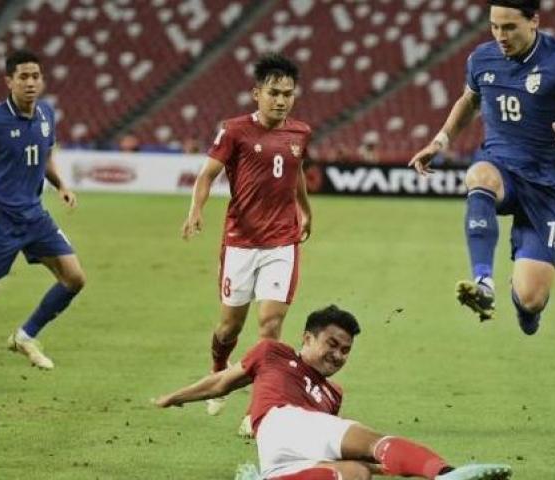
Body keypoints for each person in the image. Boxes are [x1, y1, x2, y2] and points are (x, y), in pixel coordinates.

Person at [409, 0, 555, 335]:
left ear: (534, 21)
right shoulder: (481, 58)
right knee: (478, 176)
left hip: (545, 189)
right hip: (501, 168)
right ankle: (484, 284)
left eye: (509, 27)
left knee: (531, 298)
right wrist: (439, 142)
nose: (500, 35)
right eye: (494, 26)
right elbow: (468, 101)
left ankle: (526, 310)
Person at [155, 305, 512, 480]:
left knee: (358, 473)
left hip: (279, 461)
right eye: (332, 344)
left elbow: (335, 448)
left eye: (345, 351)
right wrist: (176, 396)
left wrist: (398, 469)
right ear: (307, 338)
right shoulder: (274, 353)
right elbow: (221, 382)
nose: (338, 355)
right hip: (282, 421)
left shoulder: (332, 393)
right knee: (374, 440)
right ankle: (447, 474)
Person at [0, 50, 86, 394]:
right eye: (23, 77)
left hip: (35, 216)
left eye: (35, 76)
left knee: (74, 278)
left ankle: (25, 336)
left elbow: (43, 157)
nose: (30, 83)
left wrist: (61, 185)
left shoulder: (47, 114)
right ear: (8, 81)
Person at [181, 53, 312, 420]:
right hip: (240, 242)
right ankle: (218, 370)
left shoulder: (300, 132)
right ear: (257, 93)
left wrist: (305, 208)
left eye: (287, 93)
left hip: (282, 243)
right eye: (273, 92)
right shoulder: (235, 130)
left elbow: (296, 170)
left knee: (270, 324)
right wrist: (196, 210)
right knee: (229, 327)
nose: (281, 100)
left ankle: (262, 404)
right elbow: (207, 175)